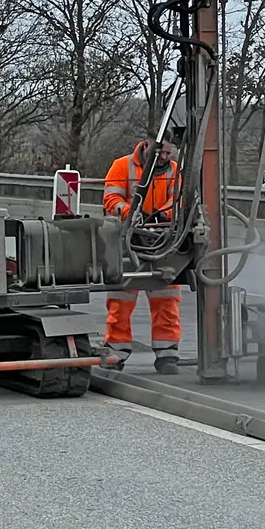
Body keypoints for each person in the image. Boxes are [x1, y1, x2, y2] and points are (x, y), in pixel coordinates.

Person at [102, 138, 183, 374]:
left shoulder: (175, 171)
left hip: (163, 241)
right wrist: (130, 212)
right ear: (148, 146)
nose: (166, 158)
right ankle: (116, 353)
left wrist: (163, 215)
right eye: (162, 153)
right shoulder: (122, 166)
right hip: (126, 241)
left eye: (169, 154)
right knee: (121, 300)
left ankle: (167, 354)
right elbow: (111, 199)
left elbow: (177, 200)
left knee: (166, 299)